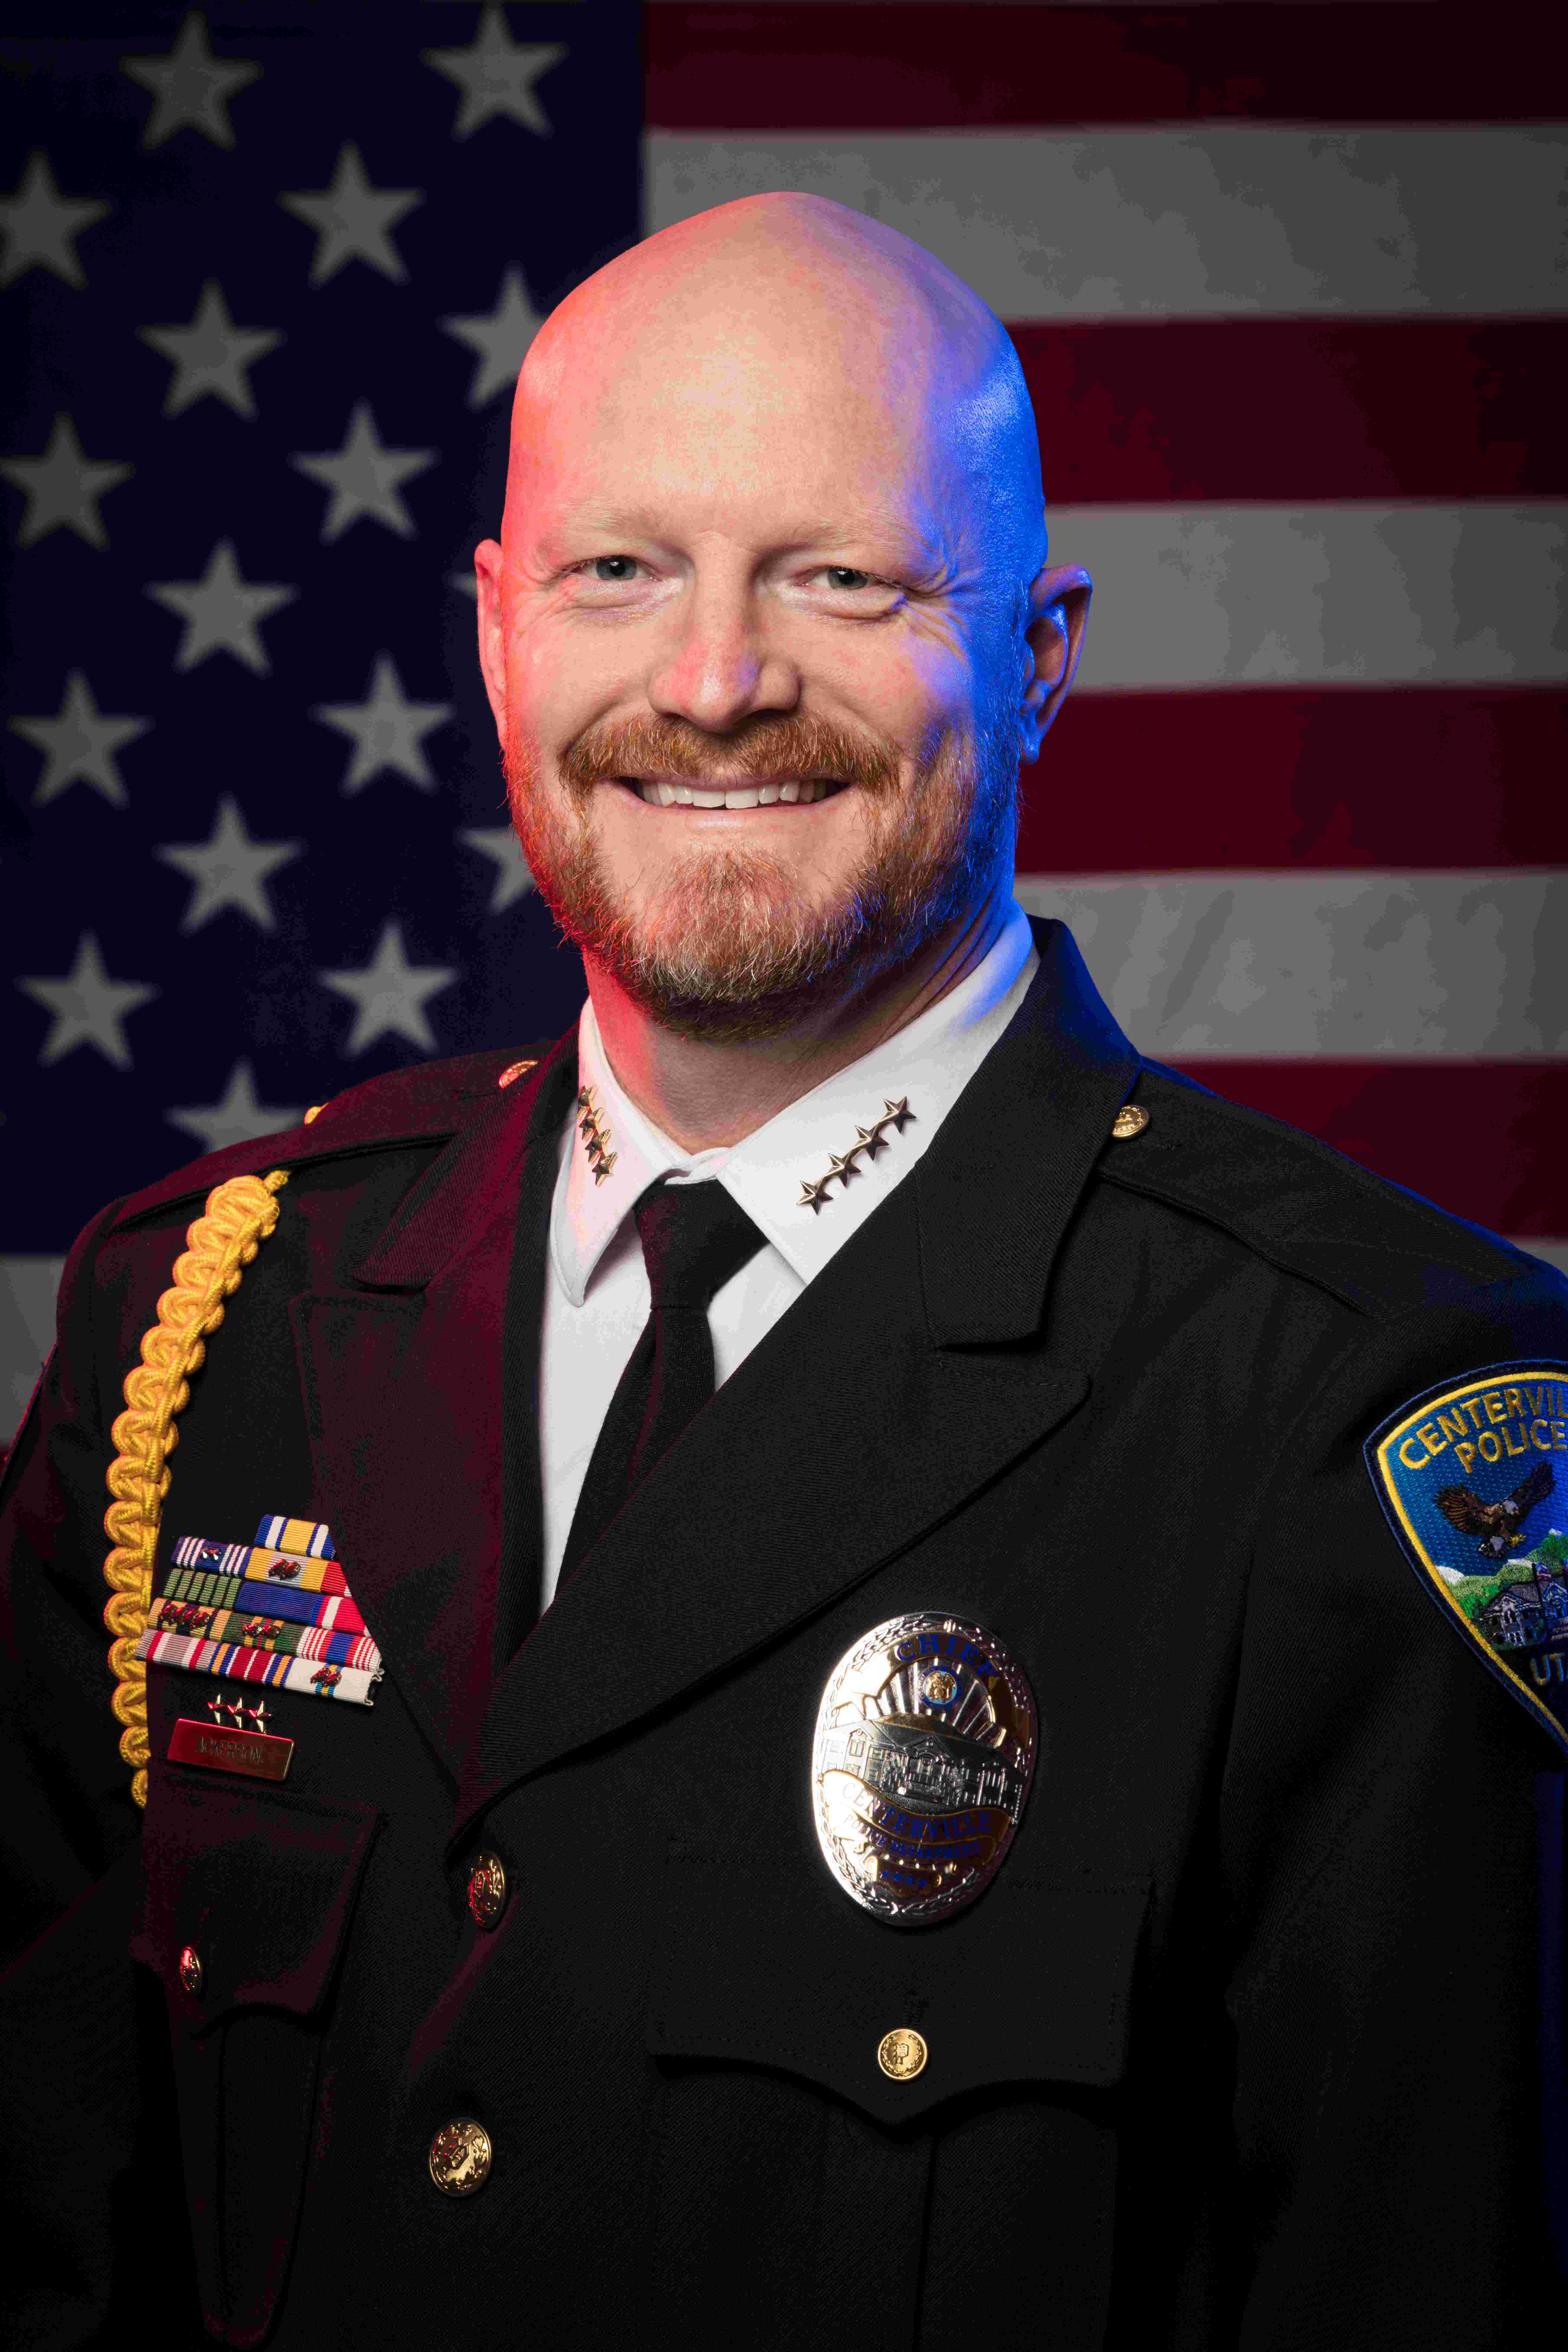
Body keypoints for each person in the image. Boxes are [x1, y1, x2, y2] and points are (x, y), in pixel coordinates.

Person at [2, 191, 1564, 2350]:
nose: (715, 683)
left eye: (839, 579)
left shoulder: (1356, 1412)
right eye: (619, 572)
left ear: (1038, 653)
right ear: (494, 632)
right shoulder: (205, 1326)